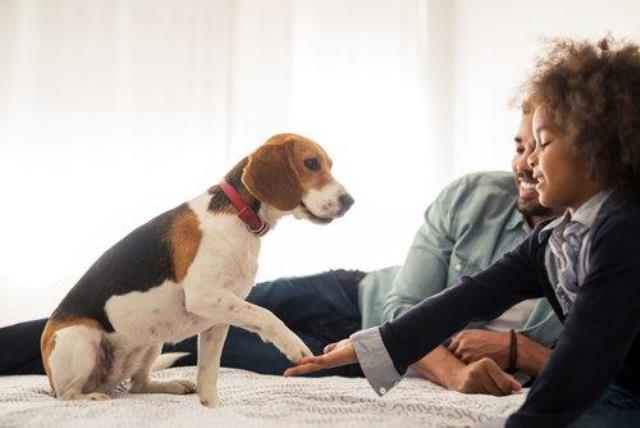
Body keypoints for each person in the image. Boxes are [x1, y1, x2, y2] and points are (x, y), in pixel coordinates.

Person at [0, 112, 562, 395]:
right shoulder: (473, 195)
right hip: (355, 293)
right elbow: (403, 306)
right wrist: (458, 369)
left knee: (225, 348)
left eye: (540, 145)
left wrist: (518, 351)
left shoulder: (598, 254)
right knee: (95, 315)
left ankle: (140, 372)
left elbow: (603, 360)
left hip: (365, 357)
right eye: (520, 145)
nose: (524, 163)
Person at [285, 37, 640, 428]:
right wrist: (372, 346)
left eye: (543, 142)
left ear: (596, 149)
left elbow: (585, 354)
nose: (530, 159)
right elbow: (468, 298)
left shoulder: (625, 232)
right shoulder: (553, 240)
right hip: (609, 391)